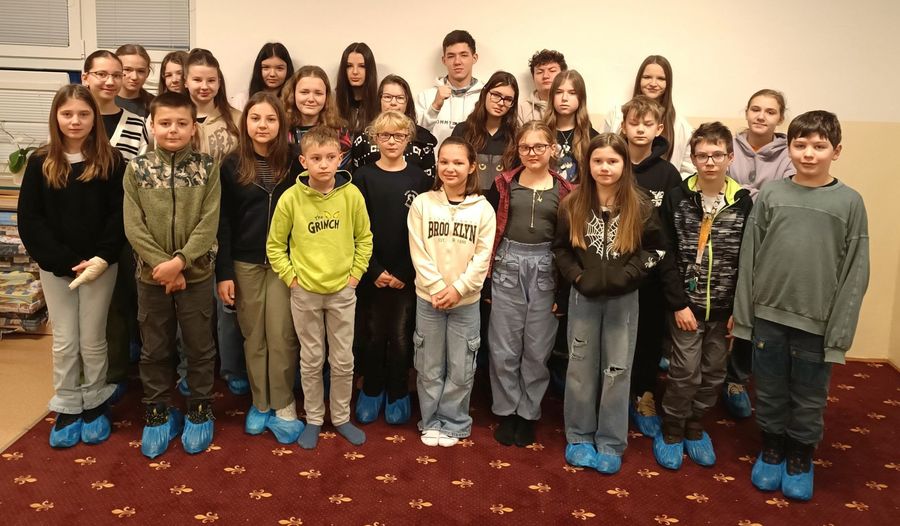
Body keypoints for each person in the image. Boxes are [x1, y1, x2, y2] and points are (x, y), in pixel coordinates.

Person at [734, 110, 869, 501]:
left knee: (809, 395)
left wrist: (839, 332)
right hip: (768, 314)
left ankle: (800, 456)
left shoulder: (849, 202)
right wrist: (744, 317)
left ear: (836, 151)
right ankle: (772, 447)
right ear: (788, 148)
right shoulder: (772, 194)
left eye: (819, 146)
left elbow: (856, 269)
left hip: (817, 322)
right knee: (769, 388)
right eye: (800, 145)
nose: (809, 153)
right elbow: (750, 254)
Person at [17, 84, 125, 448]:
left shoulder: (111, 161)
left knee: (92, 338)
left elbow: (118, 215)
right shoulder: (40, 162)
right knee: (64, 340)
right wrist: (64, 261)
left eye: (83, 114)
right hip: (56, 267)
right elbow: (30, 220)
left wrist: (101, 258)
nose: (75, 121)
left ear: (95, 118)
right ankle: (67, 403)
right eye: (67, 114)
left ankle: (94, 401)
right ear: (56, 117)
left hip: (100, 266)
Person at [553, 133, 665, 474]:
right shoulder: (572, 203)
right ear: (588, 164)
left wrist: (628, 275)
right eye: (598, 160)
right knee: (580, 367)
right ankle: (579, 436)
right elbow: (560, 249)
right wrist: (577, 276)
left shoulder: (640, 205)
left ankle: (611, 441)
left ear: (624, 164)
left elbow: (656, 249)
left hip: (623, 299)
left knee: (617, 369)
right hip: (583, 297)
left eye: (613, 161)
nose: (605, 167)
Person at [123, 92, 220, 459]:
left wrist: (180, 262)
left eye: (182, 123)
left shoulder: (207, 167)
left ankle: (200, 407)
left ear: (194, 127)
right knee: (154, 348)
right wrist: (162, 266)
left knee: (199, 346)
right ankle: (157, 410)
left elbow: (209, 222)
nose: (173, 130)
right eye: (165, 123)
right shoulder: (137, 169)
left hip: (196, 275)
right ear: (152, 125)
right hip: (152, 278)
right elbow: (134, 226)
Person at [653, 122, 752, 471]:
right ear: (693, 158)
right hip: (687, 307)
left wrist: (740, 308)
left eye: (717, 155)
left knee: (713, 373)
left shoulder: (742, 202)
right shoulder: (678, 198)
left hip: (724, 308)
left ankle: (696, 425)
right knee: (684, 372)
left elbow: (748, 259)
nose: (710, 162)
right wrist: (678, 303)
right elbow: (665, 252)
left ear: (730, 157)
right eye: (702, 155)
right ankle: (672, 428)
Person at [267, 126, 373, 449]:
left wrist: (354, 277)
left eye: (330, 157)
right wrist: (292, 279)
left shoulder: (352, 196)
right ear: (303, 161)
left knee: (343, 360)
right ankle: (314, 417)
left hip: (343, 291)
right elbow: (275, 245)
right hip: (305, 292)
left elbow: (364, 239)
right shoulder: (290, 198)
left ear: (340, 159)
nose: (324, 164)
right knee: (312, 359)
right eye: (316, 158)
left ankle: (340, 417)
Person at [217, 92, 304, 443]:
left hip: (285, 263)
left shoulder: (296, 161)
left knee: (282, 335)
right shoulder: (231, 164)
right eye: (255, 118)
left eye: (270, 119)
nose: (262, 125)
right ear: (245, 123)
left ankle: (283, 401)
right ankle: (260, 402)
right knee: (254, 336)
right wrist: (224, 273)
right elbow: (222, 222)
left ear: (281, 123)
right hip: (245, 262)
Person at [486, 121, 572, 447]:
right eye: (525, 147)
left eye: (539, 146)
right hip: (508, 265)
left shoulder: (566, 192)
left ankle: (528, 413)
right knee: (504, 346)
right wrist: (486, 279)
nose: (532, 153)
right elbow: (488, 233)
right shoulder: (503, 184)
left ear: (552, 149)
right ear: (518, 150)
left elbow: (570, 243)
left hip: (546, 269)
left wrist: (564, 290)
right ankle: (507, 410)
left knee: (537, 348)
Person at [408, 136, 496, 447]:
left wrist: (458, 289)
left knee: (461, 366)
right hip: (428, 299)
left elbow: (483, 258)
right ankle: (431, 420)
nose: (450, 168)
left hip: (466, 302)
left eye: (458, 162)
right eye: (444, 161)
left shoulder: (483, 209)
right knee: (429, 365)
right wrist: (436, 287)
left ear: (472, 167)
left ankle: (455, 422)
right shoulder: (422, 204)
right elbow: (418, 250)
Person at [353, 111, 432, 425]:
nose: (391, 141)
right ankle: (372, 388)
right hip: (370, 271)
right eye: (385, 135)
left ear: (408, 139)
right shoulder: (363, 177)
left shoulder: (420, 179)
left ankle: (398, 390)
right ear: (375, 139)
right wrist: (373, 270)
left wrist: (404, 272)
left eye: (398, 135)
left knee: (400, 336)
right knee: (371, 334)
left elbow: (423, 231)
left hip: (405, 273)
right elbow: (356, 228)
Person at [81, 49, 149, 404]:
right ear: (86, 77)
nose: (110, 81)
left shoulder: (137, 124)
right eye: (101, 74)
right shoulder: (75, 121)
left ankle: (116, 372)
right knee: (84, 308)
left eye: (116, 75)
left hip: (124, 226)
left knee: (120, 302)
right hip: (81, 228)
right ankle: (82, 376)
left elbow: (145, 176)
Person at [721, 89, 794, 419]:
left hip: (766, 240)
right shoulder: (729, 145)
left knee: (751, 308)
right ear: (747, 111)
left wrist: (745, 194)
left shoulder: (788, 153)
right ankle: (708, 370)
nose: (761, 116)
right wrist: (759, 194)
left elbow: (785, 196)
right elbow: (715, 183)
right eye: (755, 109)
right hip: (725, 236)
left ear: (780, 117)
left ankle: (736, 379)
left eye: (770, 111)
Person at [184, 48, 248, 395]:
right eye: (197, 79)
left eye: (211, 79)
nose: (204, 86)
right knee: (192, 304)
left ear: (219, 82)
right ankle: (192, 369)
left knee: (227, 301)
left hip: (228, 217)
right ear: (185, 81)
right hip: (186, 220)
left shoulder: (236, 119)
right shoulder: (175, 118)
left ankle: (232, 366)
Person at [618, 95, 682, 437]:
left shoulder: (667, 173)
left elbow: (670, 228)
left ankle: (644, 394)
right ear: (623, 126)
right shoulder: (613, 162)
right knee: (615, 335)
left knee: (648, 336)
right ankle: (613, 395)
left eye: (647, 124)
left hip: (652, 273)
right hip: (614, 269)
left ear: (659, 129)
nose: (640, 130)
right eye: (634, 123)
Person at [602, 55, 694, 176]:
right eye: (647, 77)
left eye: (661, 78)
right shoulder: (616, 114)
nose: (653, 83)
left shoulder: (681, 126)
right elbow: (601, 151)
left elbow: (688, 171)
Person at [351, 74, 437, 177]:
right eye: (387, 97)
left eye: (400, 98)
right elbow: (356, 178)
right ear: (379, 100)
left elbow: (428, 181)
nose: (393, 103)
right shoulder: (363, 139)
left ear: (407, 102)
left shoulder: (423, 139)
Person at [451, 70, 519, 191]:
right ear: (485, 93)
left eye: (508, 99)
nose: (501, 103)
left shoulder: (516, 136)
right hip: (468, 199)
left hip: (503, 201)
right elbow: (452, 170)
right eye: (496, 95)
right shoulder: (463, 131)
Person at [415, 30, 483, 145]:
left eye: (464, 55)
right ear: (444, 60)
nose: (457, 62)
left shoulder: (484, 97)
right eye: (451, 56)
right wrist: (435, 107)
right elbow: (415, 137)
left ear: (474, 58)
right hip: (433, 157)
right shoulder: (426, 97)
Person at [282, 66, 353, 169]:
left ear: (326, 97)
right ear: (293, 94)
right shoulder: (281, 130)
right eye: (304, 92)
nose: (311, 99)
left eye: (318, 93)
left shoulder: (340, 132)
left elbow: (343, 171)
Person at [543, 70, 598, 183]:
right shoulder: (541, 133)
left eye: (572, 93)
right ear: (552, 97)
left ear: (581, 98)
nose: (564, 98)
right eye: (559, 92)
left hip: (580, 193)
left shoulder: (592, 137)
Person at [335, 42, 379, 136]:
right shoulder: (334, 103)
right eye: (349, 66)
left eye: (362, 66)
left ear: (370, 69)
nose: (355, 72)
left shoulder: (380, 104)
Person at [518, 49, 567, 124]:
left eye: (552, 71)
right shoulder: (521, 110)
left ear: (563, 75)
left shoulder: (571, 104)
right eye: (540, 72)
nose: (545, 76)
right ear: (533, 78)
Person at [115, 44, 154, 118]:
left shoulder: (155, 105)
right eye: (127, 69)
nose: (134, 77)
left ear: (147, 73)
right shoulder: (103, 101)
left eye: (141, 71)